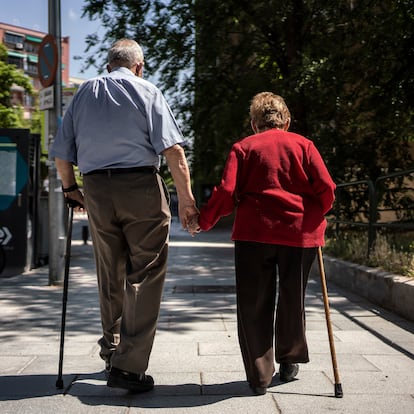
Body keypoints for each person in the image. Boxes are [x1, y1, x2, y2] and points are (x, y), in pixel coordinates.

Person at [50, 38, 199, 393]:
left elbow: (61, 153)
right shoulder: (147, 91)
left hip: (98, 189)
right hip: (140, 187)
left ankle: (112, 351)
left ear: (108, 66)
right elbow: (174, 153)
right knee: (145, 273)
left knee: (110, 271)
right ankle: (129, 368)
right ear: (139, 66)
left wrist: (72, 190)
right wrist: (188, 201)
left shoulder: (84, 94)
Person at [196, 92, 336, 395]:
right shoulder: (304, 145)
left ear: (253, 123)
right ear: (286, 121)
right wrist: (315, 216)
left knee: (253, 304)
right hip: (299, 233)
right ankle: (289, 360)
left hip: (254, 233)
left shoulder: (243, 148)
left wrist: (204, 220)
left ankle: (259, 377)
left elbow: (226, 191)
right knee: (292, 299)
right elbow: (326, 188)